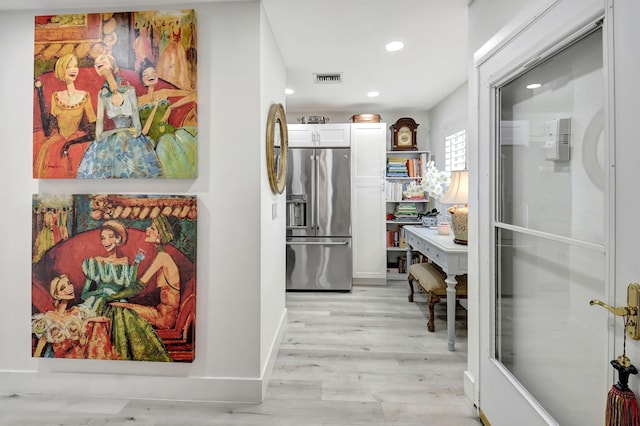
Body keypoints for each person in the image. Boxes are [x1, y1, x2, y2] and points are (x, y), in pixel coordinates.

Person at [80, 220, 172, 361]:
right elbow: (84, 294)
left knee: (126, 322)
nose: (106, 241)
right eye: (103, 238)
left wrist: (136, 263)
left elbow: (131, 287)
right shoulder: (95, 262)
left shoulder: (125, 262)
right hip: (97, 304)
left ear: (118, 239)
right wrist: (101, 293)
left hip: (119, 302)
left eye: (110, 236)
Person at [76, 53, 164, 178]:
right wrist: (105, 137)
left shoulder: (129, 90)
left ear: (111, 63)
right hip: (111, 138)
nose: (97, 64)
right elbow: (99, 127)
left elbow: (137, 125)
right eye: (95, 64)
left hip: (132, 137)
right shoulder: (103, 94)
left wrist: (129, 133)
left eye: (102, 59)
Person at [111, 215, 181, 329]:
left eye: (152, 228)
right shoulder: (163, 256)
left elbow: (137, 288)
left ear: (160, 236)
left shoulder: (163, 257)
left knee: (115, 307)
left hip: (164, 318)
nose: (147, 229)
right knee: (118, 306)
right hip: (161, 312)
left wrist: (110, 297)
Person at [33, 53, 96, 178]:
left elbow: (94, 132)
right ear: (61, 70)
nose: (73, 70)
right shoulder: (56, 96)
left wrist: (70, 143)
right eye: (69, 66)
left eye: (75, 66)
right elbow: (47, 130)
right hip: (57, 140)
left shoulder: (84, 96)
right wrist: (40, 93)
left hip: (77, 141)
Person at [31, 274, 118, 359]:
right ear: (56, 296)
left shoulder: (77, 311)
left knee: (96, 325)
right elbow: (39, 348)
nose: (69, 287)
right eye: (63, 288)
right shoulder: (49, 317)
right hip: (60, 361)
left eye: (69, 283)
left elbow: (105, 319)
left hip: (81, 357)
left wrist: (86, 322)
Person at [137, 58, 197, 177]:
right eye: (146, 74)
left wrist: (171, 107)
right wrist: (155, 107)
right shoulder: (139, 101)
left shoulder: (164, 93)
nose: (150, 75)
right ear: (143, 81)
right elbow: (144, 130)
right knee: (166, 142)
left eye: (153, 72)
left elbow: (193, 94)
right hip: (153, 138)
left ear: (157, 76)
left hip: (168, 132)